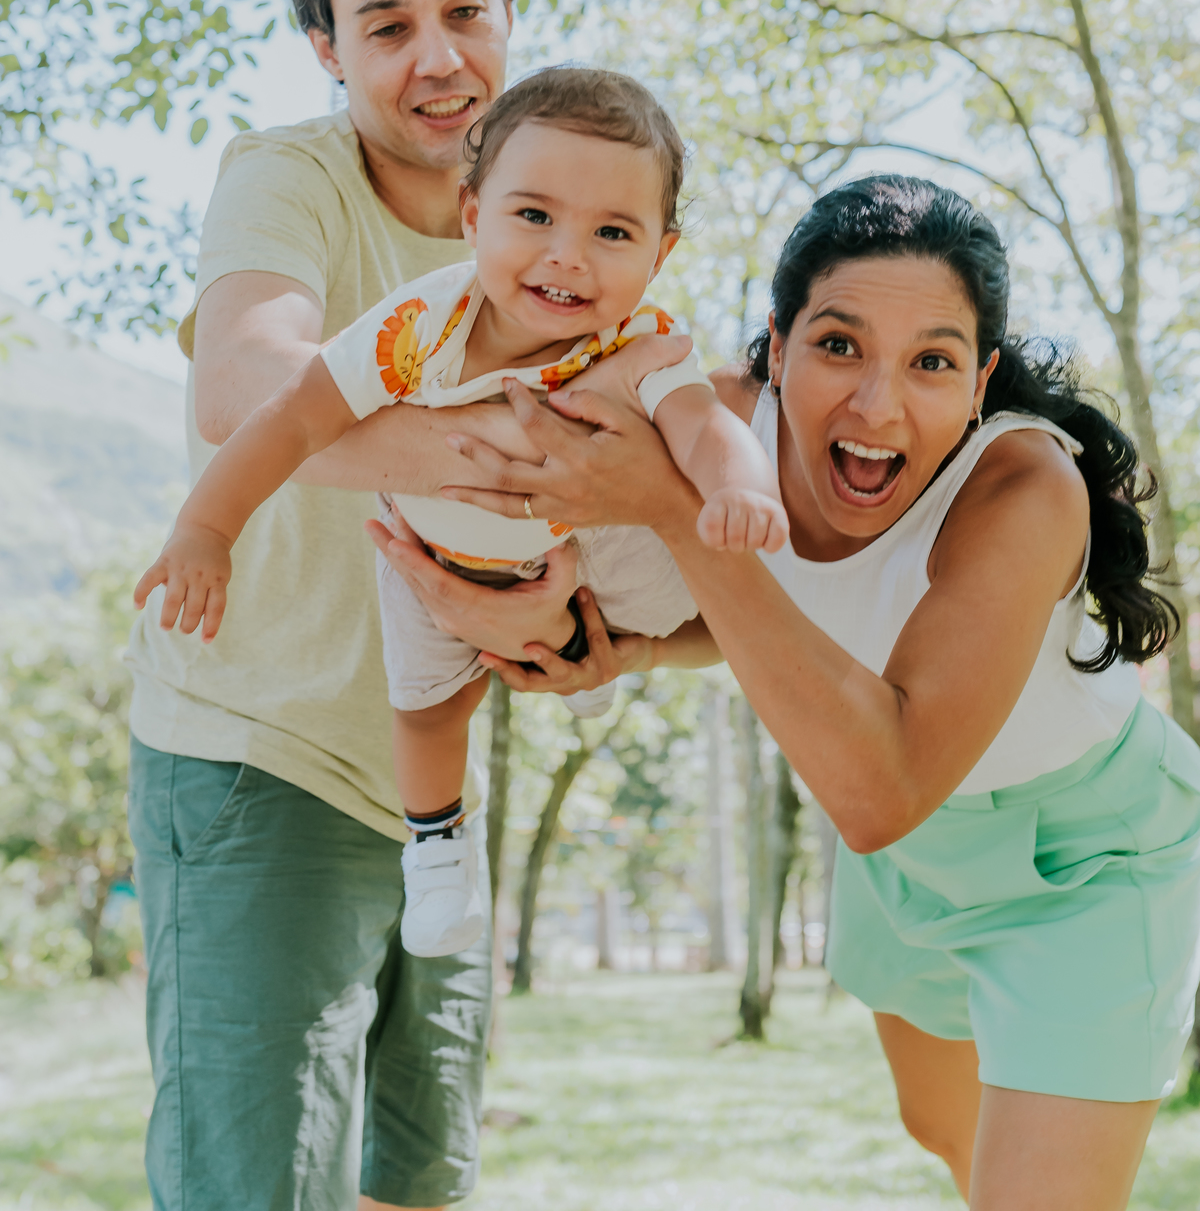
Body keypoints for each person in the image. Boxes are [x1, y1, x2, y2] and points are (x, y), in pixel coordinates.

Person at [378, 175, 1200, 1211]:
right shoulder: (718, 426)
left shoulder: (1022, 489)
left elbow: (879, 787)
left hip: (1088, 860)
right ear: (777, 341)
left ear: (982, 375)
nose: (877, 404)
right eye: (839, 345)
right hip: (911, 864)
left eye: (933, 361)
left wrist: (679, 518)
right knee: (943, 1129)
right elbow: (775, 621)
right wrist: (624, 648)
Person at [125, 0, 622, 1211]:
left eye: (465, 8)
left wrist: (578, 629)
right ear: (326, 49)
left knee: (420, 1180)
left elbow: (638, 459)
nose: (439, 57)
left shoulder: (547, 213)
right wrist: (502, 460)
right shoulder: (288, 177)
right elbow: (243, 387)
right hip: (258, 759)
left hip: (433, 785)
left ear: (511, 11)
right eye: (388, 25)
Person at [135, 65, 786, 959]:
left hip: (581, 553)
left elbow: (705, 427)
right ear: (472, 215)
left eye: (612, 231)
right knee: (429, 710)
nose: (568, 253)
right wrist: (207, 529)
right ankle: (439, 844)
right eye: (535, 217)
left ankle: (579, 648)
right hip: (432, 560)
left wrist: (740, 487)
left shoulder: (642, 347)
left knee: (681, 546)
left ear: (659, 254)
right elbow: (289, 417)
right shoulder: (417, 328)